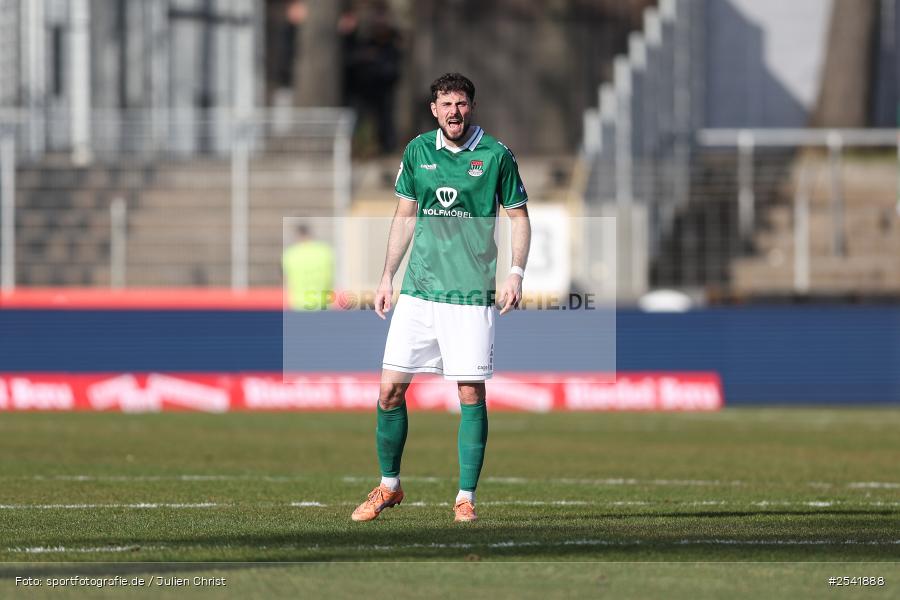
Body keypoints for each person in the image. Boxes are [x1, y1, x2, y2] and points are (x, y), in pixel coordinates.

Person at [351, 73, 531, 523]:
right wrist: (387, 275)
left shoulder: (496, 155)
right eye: (446, 104)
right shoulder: (417, 151)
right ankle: (389, 486)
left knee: (469, 392)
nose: (455, 111)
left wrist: (515, 272)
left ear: (472, 107)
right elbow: (405, 216)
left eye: (462, 103)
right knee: (389, 392)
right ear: (434, 110)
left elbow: (519, 217)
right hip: (419, 292)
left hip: (469, 295)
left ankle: (465, 497)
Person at [281, 223, 334, 310]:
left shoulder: (289, 255)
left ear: (297, 236)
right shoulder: (325, 251)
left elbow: (286, 280)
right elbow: (331, 277)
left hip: (299, 304)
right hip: (323, 304)